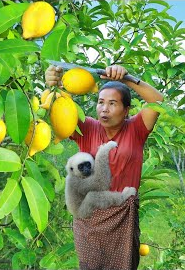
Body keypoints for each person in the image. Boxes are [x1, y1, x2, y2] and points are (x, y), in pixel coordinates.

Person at [45, 64, 164, 269]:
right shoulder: (87, 127)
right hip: (89, 215)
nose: (104, 109)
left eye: (112, 103)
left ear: (126, 110)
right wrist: (54, 82)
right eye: (100, 102)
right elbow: (59, 111)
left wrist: (127, 77)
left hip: (122, 217)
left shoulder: (137, 128)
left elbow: (158, 101)